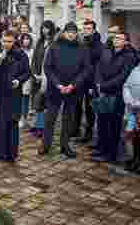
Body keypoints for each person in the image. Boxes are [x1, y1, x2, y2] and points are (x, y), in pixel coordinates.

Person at [40, 22, 92, 158]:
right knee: (50, 118)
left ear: (77, 34)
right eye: (69, 31)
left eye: (74, 32)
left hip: (73, 90)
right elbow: (48, 67)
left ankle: (65, 145)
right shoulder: (54, 46)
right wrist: (58, 84)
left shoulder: (83, 48)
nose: (71, 34)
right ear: (63, 32)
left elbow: (86, 69)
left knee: (68, 119)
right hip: (55, 88)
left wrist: (73, 85)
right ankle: (45, 144)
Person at [0, 31, 31, 162]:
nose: (6, 44)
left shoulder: (21, 54)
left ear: (14, 41)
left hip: (12, 94)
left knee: (11, 122)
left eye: (9, 41)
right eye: (4, 41)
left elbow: (27, 72)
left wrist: (19, 81)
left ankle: (10, 153)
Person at [91, 31, 137, 163]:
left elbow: (123, 76)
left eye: (120, 38)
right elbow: (98, 68)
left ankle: (110, 154)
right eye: (115, 38)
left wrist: (104, 86)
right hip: (102, 92)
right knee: (102, 122)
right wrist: (98, 83)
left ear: (126, 42)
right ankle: (101, 148)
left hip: (116, 95)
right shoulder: (107, 51)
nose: (116, 40)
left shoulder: (129, 56)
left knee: (113, 126)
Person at [74, 19, 104, 143]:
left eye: (89, 29)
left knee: (89, 108)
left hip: (91, 81)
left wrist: (94, 83)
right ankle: (75, 129)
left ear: (94, 30)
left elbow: (97, 65)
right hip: (79, 79)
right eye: (84, 29)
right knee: (76, 105)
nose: (86, 31)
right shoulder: (80, 42)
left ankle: (88, 133)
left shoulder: (98, 45)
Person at [29, 20, 57, 138]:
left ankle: (42, 127)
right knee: (37, 103)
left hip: (47, 79)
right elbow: (34, 59)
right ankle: (36, 125)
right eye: (43, 28)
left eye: (47, 28)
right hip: (37, 77)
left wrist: (45, 76)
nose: (45, 30)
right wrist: (35, 74)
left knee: (44, 104)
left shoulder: (54, 43)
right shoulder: (40, 42)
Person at [18, 33, 35, 128]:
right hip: (20, 76)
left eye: (28, 39)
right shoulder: (19, 51)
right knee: (19, 98)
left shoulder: (32, 51)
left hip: (29, 78)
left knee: (26, 98)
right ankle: (19, 117)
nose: (26, 40)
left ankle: (24, 118)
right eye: (24, 39)